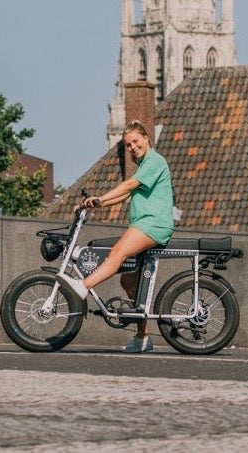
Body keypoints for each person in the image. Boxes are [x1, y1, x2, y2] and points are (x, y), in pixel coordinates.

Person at [61, 120, 174, 353]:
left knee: (117, 253)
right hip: (144, 224)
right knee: (129, 281)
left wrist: (101, 198)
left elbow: (128, 185)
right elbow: (124, 195)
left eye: (135, 141)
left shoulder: (154, 161)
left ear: (146, 139)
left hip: (153, 224)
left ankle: (83, 286)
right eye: (128, 145)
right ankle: (143, 337)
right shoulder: (144, 166)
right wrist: (95, 202)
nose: (132, 147)